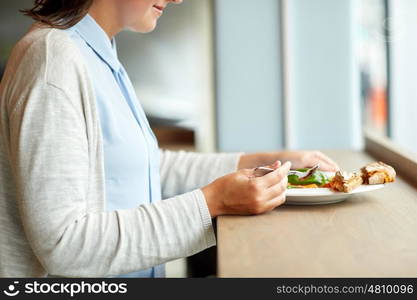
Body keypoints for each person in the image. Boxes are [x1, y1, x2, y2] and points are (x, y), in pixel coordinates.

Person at [0, 0, 339, 278]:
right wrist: (212, 203)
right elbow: (65, 244)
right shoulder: (53, 61)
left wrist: (261, 163)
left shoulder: (96, 53)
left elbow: (140, 167)